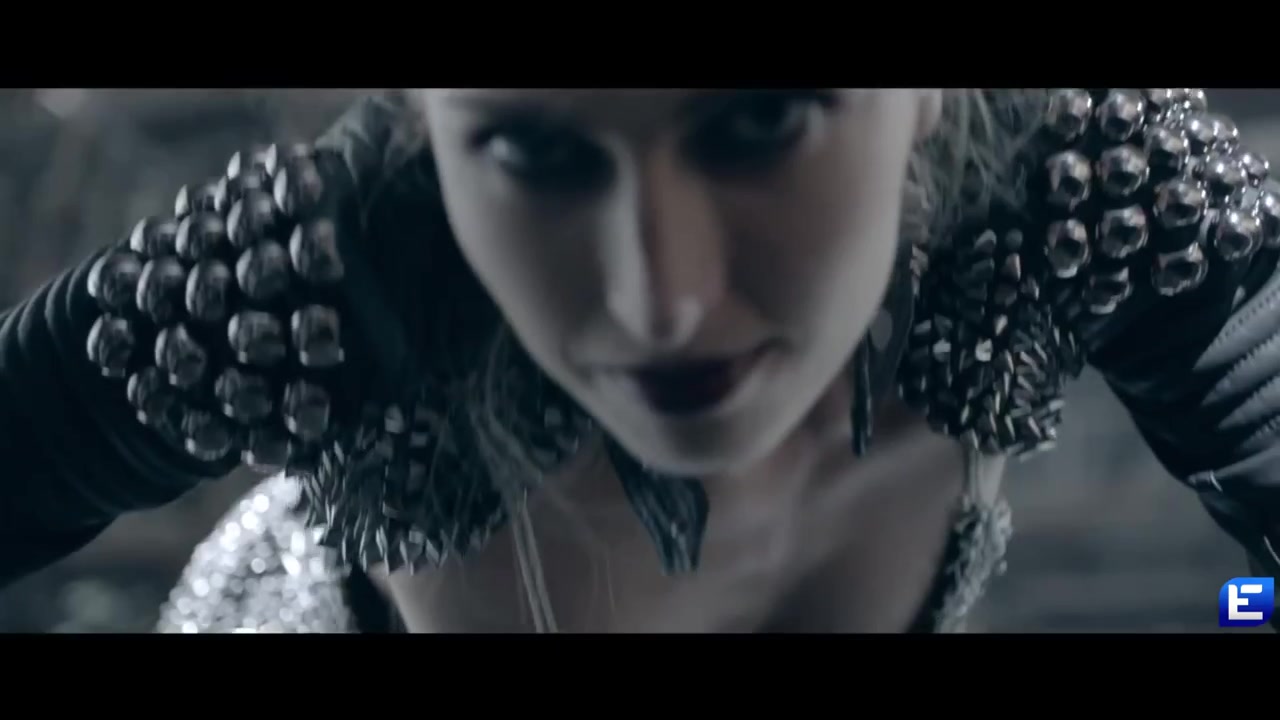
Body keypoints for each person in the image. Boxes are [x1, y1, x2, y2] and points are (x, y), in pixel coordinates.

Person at [1, 88, 1277, 633]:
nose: (658, 302)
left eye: (759, 118)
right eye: (532, 149)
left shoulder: (1089, 202)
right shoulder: (320, 279)